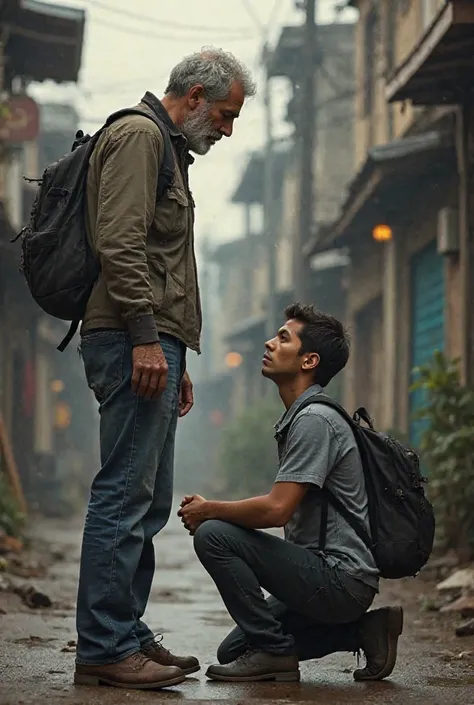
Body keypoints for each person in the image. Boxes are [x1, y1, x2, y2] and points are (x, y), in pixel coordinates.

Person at [74, 48, 256, 691]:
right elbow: (119, 244)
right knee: (123, 494)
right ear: (197, 95)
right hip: (129, 336)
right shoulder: (139, 136)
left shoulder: (167, 149)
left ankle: (125, 633)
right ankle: (103, 646)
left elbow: (160, 261)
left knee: (144, 500)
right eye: (227, 114)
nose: (228, 129)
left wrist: (172, 349)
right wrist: (148, 341)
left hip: (150, 340)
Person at [179, 303, 404, 683]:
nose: (269, 343)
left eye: (283, 338)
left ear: (308, 360)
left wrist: (210, 510)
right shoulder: (302, 416)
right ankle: (364, 631)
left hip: (339, 579)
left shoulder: (315, 420)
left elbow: (277, 510)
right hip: (324, 576)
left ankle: (274, 653)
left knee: (214, 535)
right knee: (234, 650)